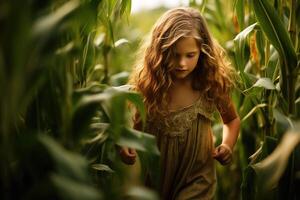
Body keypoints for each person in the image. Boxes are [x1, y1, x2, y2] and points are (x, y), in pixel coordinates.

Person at [119, 7, 240, 200]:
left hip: (198, 178)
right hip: (158, 181)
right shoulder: (151, 87)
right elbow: (139, 130)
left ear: (203, 50)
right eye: (174, 55)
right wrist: (127, 144)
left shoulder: (209, 82)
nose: (182, 63)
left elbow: (231, 120)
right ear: (160, 51)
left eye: (190, 55)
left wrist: (227, 145)